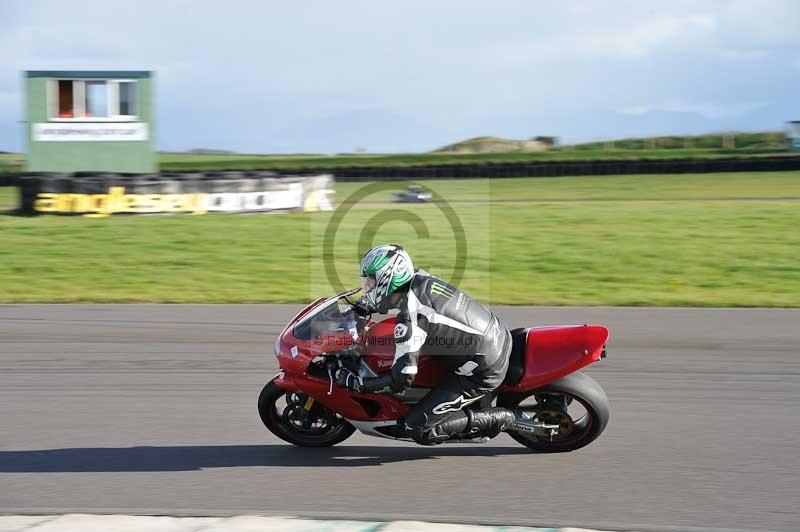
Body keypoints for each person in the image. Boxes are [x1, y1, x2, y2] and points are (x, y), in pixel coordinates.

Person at [335, 244, 534, 445]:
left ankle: (506, 418)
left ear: (389, 279)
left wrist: (359, 384)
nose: (368, 286)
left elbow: (401, 379)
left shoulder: (412, 320)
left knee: (418, 428)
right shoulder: (419, 278)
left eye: (371, 281)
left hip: (483, 370)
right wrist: (358, 308)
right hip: (493, 334)